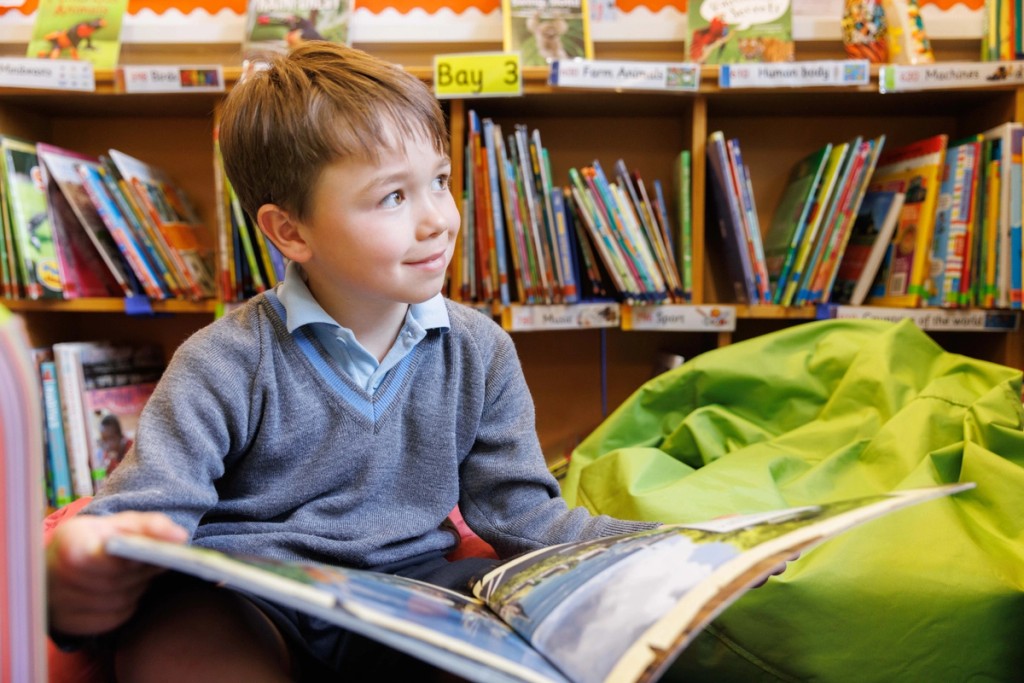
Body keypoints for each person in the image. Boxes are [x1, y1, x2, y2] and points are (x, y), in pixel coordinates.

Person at [45, 41, 658, 682]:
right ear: (291, 232)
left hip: (410, 596)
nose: (438, 221)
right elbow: (147, 512)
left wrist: (660, 549)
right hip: (253, 596)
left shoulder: (481, 350)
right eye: (393, 196)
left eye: (440, 183)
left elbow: (522, 515)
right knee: (174, 630)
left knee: (508, 618)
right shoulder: (223, 361)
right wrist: (88, 566)